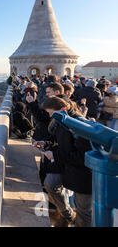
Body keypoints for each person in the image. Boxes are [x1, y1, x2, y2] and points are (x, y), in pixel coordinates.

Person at [40, 97, 93, 227]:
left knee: (84, 212)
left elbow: (81, 156)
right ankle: (69, 216)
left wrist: (54, 155)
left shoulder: (78, 125)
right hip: (70, 168)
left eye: (51, 113)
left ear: (63, 110)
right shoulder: (62, 122)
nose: (49, 116)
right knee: (50, 184)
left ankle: (73, 220)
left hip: (83, 174)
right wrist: (46, 144)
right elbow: (62, 143)